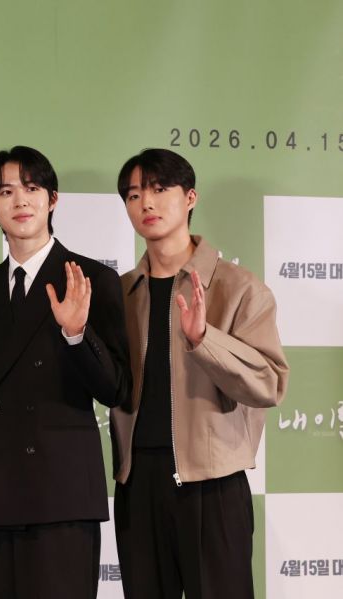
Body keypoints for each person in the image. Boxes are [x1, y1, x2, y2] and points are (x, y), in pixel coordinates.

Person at [110, 148, 289, 599]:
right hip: (138, 485)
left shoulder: (238, 287)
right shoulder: (121, 294)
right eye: (133, 195)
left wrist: (203, 340)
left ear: (190, 197)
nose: (145, 203)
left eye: (158, 189)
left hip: (213, 485)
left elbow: (270, 383)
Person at [0, 145, 131, 598]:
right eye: (6, 192)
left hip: (61, 495)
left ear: (52, 199)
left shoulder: (91, 278)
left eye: (32, 188)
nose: (20, 201)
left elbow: (116, 389)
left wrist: (76, 334)